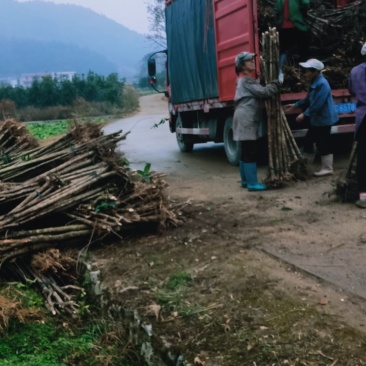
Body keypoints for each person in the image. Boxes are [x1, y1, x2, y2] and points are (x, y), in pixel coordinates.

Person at [233, 51, 281, 191]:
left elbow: (257, 89)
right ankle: (252, 183)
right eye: (249, 61)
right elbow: (264, 92)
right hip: (246, 117)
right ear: (242, 66)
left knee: (245, 149)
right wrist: (277, 84)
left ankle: (245, 181)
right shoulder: (246, 80)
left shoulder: (244, 80)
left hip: (242, 116)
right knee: (250, 150)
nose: (253, 62)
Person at [284, 58, 339, 176]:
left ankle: (328, 168)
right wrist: (295, 105)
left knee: (322, 142)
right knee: (309, 140)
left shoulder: (322, 84)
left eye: (308, 71)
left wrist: (304, 114)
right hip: (317, 120)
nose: (305, 74)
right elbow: (308, 99)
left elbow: (317, 104)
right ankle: (305, 168)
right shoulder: (315, 83)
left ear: (315, 72)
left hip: (324, 119)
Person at [348, 41, 366, 208]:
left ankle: (363, 197)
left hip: (362, 119)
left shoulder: (354, 71)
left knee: (363, 160)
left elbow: (352, 90)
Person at [274, 0, 310, 81]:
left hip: (283, 28)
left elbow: (277, 9)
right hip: (297, 26)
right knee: (303, 50)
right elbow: (306, 4)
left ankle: (280, 72)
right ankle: (305, 72)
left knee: (284, 51)